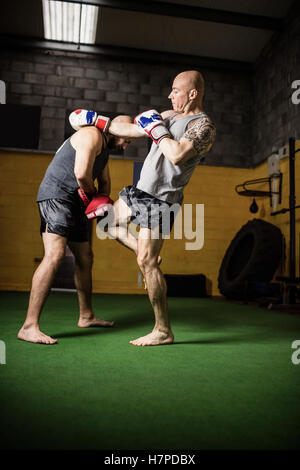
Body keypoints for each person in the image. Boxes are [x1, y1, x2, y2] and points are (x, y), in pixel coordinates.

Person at [69, 70, 216, 347]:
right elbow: (132, 129)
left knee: (147, 263)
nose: (170, 95)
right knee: (106, 221)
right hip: (139, 190)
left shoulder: (203, 126)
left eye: (175, 90)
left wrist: (157, 130)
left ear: (193, 93)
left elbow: (177, 155)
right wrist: (97, 121)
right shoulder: (169, 115)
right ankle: (143, 251)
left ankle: (163, 330)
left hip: (162, 199)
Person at [18, 115, 133, 345]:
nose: (125, 145)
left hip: (78, 202)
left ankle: (86, 315)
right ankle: (29, 326)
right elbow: (81, 174)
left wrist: (103, 201)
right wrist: (92, 195)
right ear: (116, 130)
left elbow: (105, 182)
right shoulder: (91, 134)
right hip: (58, 196)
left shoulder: (105, 150)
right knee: (55, 255)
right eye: (126, 139)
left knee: (85, 256)